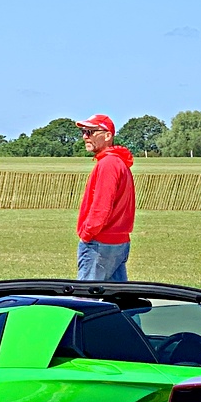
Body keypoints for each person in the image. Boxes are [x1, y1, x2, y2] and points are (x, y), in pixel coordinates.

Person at [75, 113, 135, 282]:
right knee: (117, 300)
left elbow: (101, 207)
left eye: (91, 132)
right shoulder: (119, 163)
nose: (85, 137)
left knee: (86, 300)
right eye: (83, 132)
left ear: (108, 136)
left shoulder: (108, 164)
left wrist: (87, 234)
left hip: (100, 243)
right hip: (119, 242)